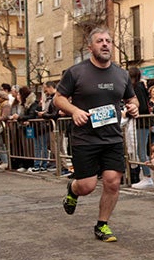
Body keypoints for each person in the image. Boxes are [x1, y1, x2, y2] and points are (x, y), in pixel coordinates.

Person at [54, 26, 139, 242]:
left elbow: (132, 98)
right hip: (85, 138)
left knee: (113, 182)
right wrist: (74, 111)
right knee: (87, 186)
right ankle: (73, 190)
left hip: (112, 138)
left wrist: (134, 106)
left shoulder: (121, 74)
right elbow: (58, 98)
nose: (105, 44)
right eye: (100, 40)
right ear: (90, 47)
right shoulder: (76, 72)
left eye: (108, 40)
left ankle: (102, 225)